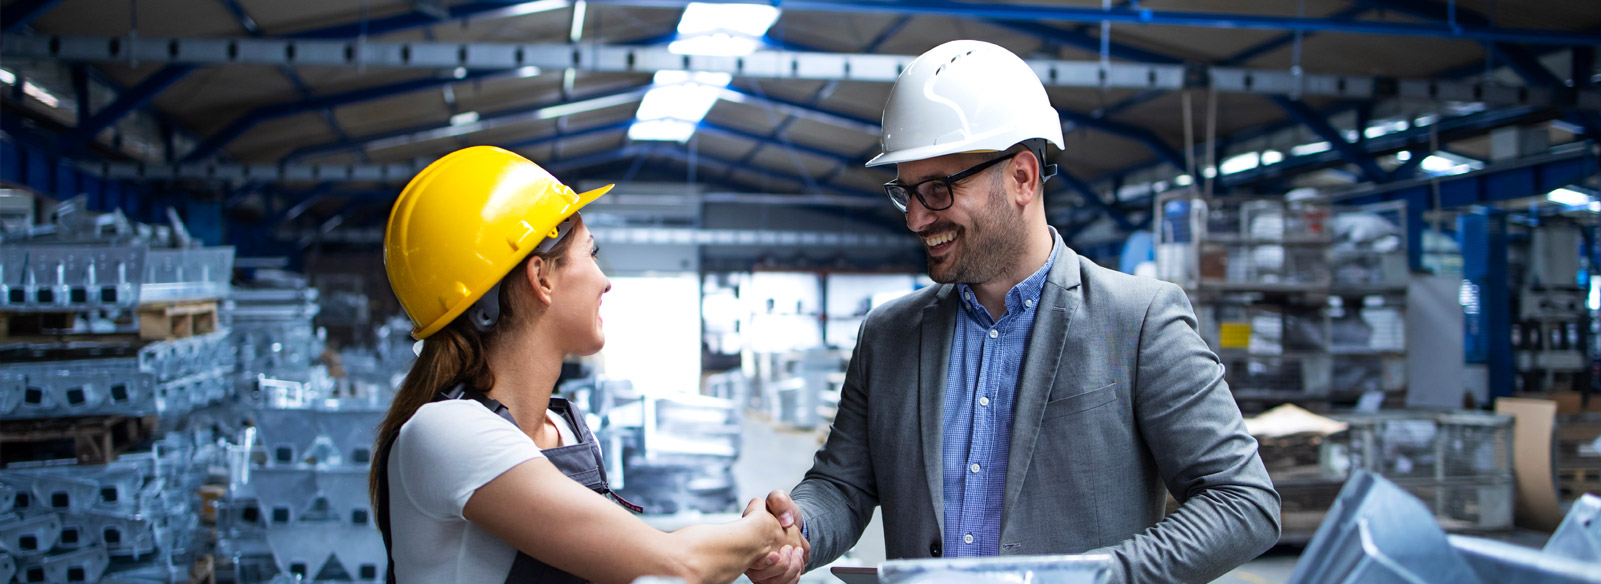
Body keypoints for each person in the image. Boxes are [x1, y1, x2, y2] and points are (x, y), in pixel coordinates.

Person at [745, 40, 1281, 584]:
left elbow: (1241, 501)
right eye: (905, 193)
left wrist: (1100, 575)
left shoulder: (1137, 322)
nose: (914, 219)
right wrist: (796, 529)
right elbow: (845, 485)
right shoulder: (889, 336)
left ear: (1022, 178)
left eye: (937, 189)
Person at [372, 145, 804, 584]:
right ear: (541, 278)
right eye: (592, 254)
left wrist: (743, 539)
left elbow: (636, 557)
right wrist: (763, 533)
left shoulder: (563, 428)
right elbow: (675, 563)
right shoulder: (448, 432)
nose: (605, 280)